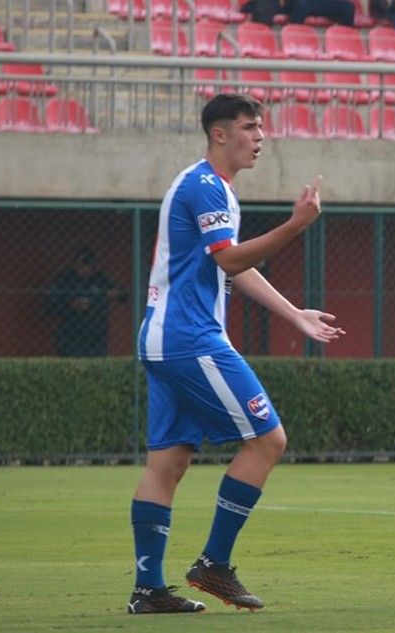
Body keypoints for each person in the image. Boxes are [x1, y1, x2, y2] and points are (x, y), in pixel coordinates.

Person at [127, 93, 345, 615]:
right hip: (189, 338)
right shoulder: (206, 185)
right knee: (268, 440)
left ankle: (148, 590)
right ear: (219, 134)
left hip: (162, 338)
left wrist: (293, 314)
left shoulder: (210, 186)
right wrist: (295, 225)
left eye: (261, 127)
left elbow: (231, 264)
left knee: (168, 462)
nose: (260, 136)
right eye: (249, 127)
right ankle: (214, 564)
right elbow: (228, 260)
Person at [44, 246, 127, 357]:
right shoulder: (65, 279)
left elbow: (124, 295)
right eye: (78, 264)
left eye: (86, 263)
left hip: (96, 335)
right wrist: (71, 305)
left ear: (93, 265)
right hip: (70, 334)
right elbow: (48, 305)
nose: (82, 267)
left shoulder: (100, 279)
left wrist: (108, 294)